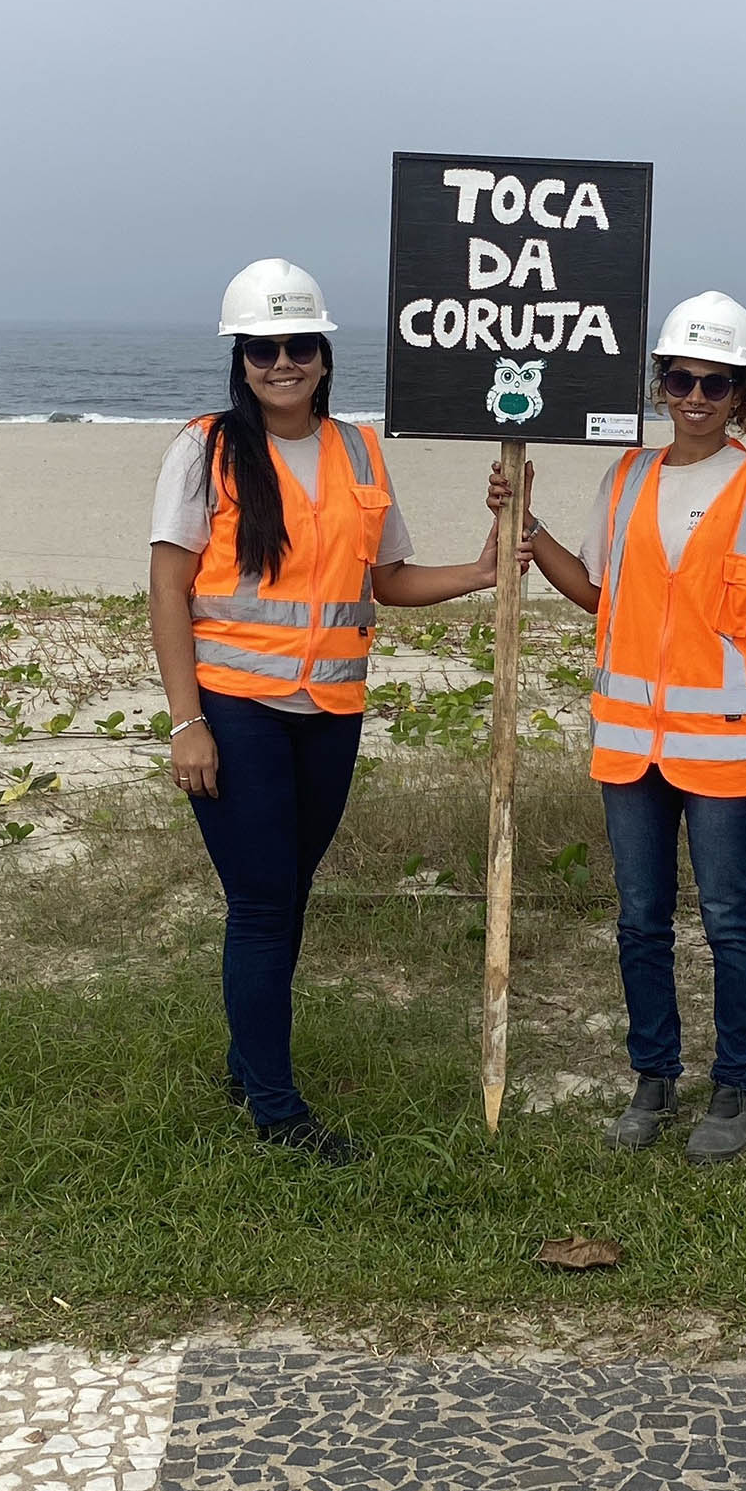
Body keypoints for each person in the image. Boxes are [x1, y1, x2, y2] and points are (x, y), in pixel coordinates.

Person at [150, 257, 515, 1163]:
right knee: (265, 903)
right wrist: (185, 720)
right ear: (240, 359)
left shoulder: (358, 449)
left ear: (323, 355)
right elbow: (166, 590)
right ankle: (276, 1111)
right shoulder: (203, 449)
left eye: (299, 345)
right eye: (265, 348)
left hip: (332, 711)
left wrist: (478, 570)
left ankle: (247, 1062)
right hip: (237, 710)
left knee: (287, 891)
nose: (284, 361)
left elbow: (386, 579)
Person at [491, 291, 746, 1163]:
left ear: (742, 393)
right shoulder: (626, 477)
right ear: (661, 385)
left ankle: (737, 1086)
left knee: (732, 917)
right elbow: (601, 595)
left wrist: (716, 670)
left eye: (716, 382)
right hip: (631, 743)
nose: (696, 396)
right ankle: (654, 1076)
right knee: (640, 918)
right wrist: (529, 522)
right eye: (680, 378)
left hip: (726, 750)